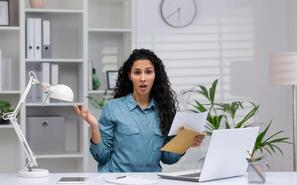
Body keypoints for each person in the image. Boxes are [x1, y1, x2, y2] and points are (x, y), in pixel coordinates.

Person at [74, 49, 205, 172]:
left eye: (148, 72)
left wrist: (186, 141)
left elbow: (167, 158)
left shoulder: (164, 111)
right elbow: (101, 156)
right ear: (130, 76)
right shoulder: (113, 108)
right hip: (116, 183)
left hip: (151, 184)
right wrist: (95, 127)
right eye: (137, 72)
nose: (143, 78)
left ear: (155, 75)